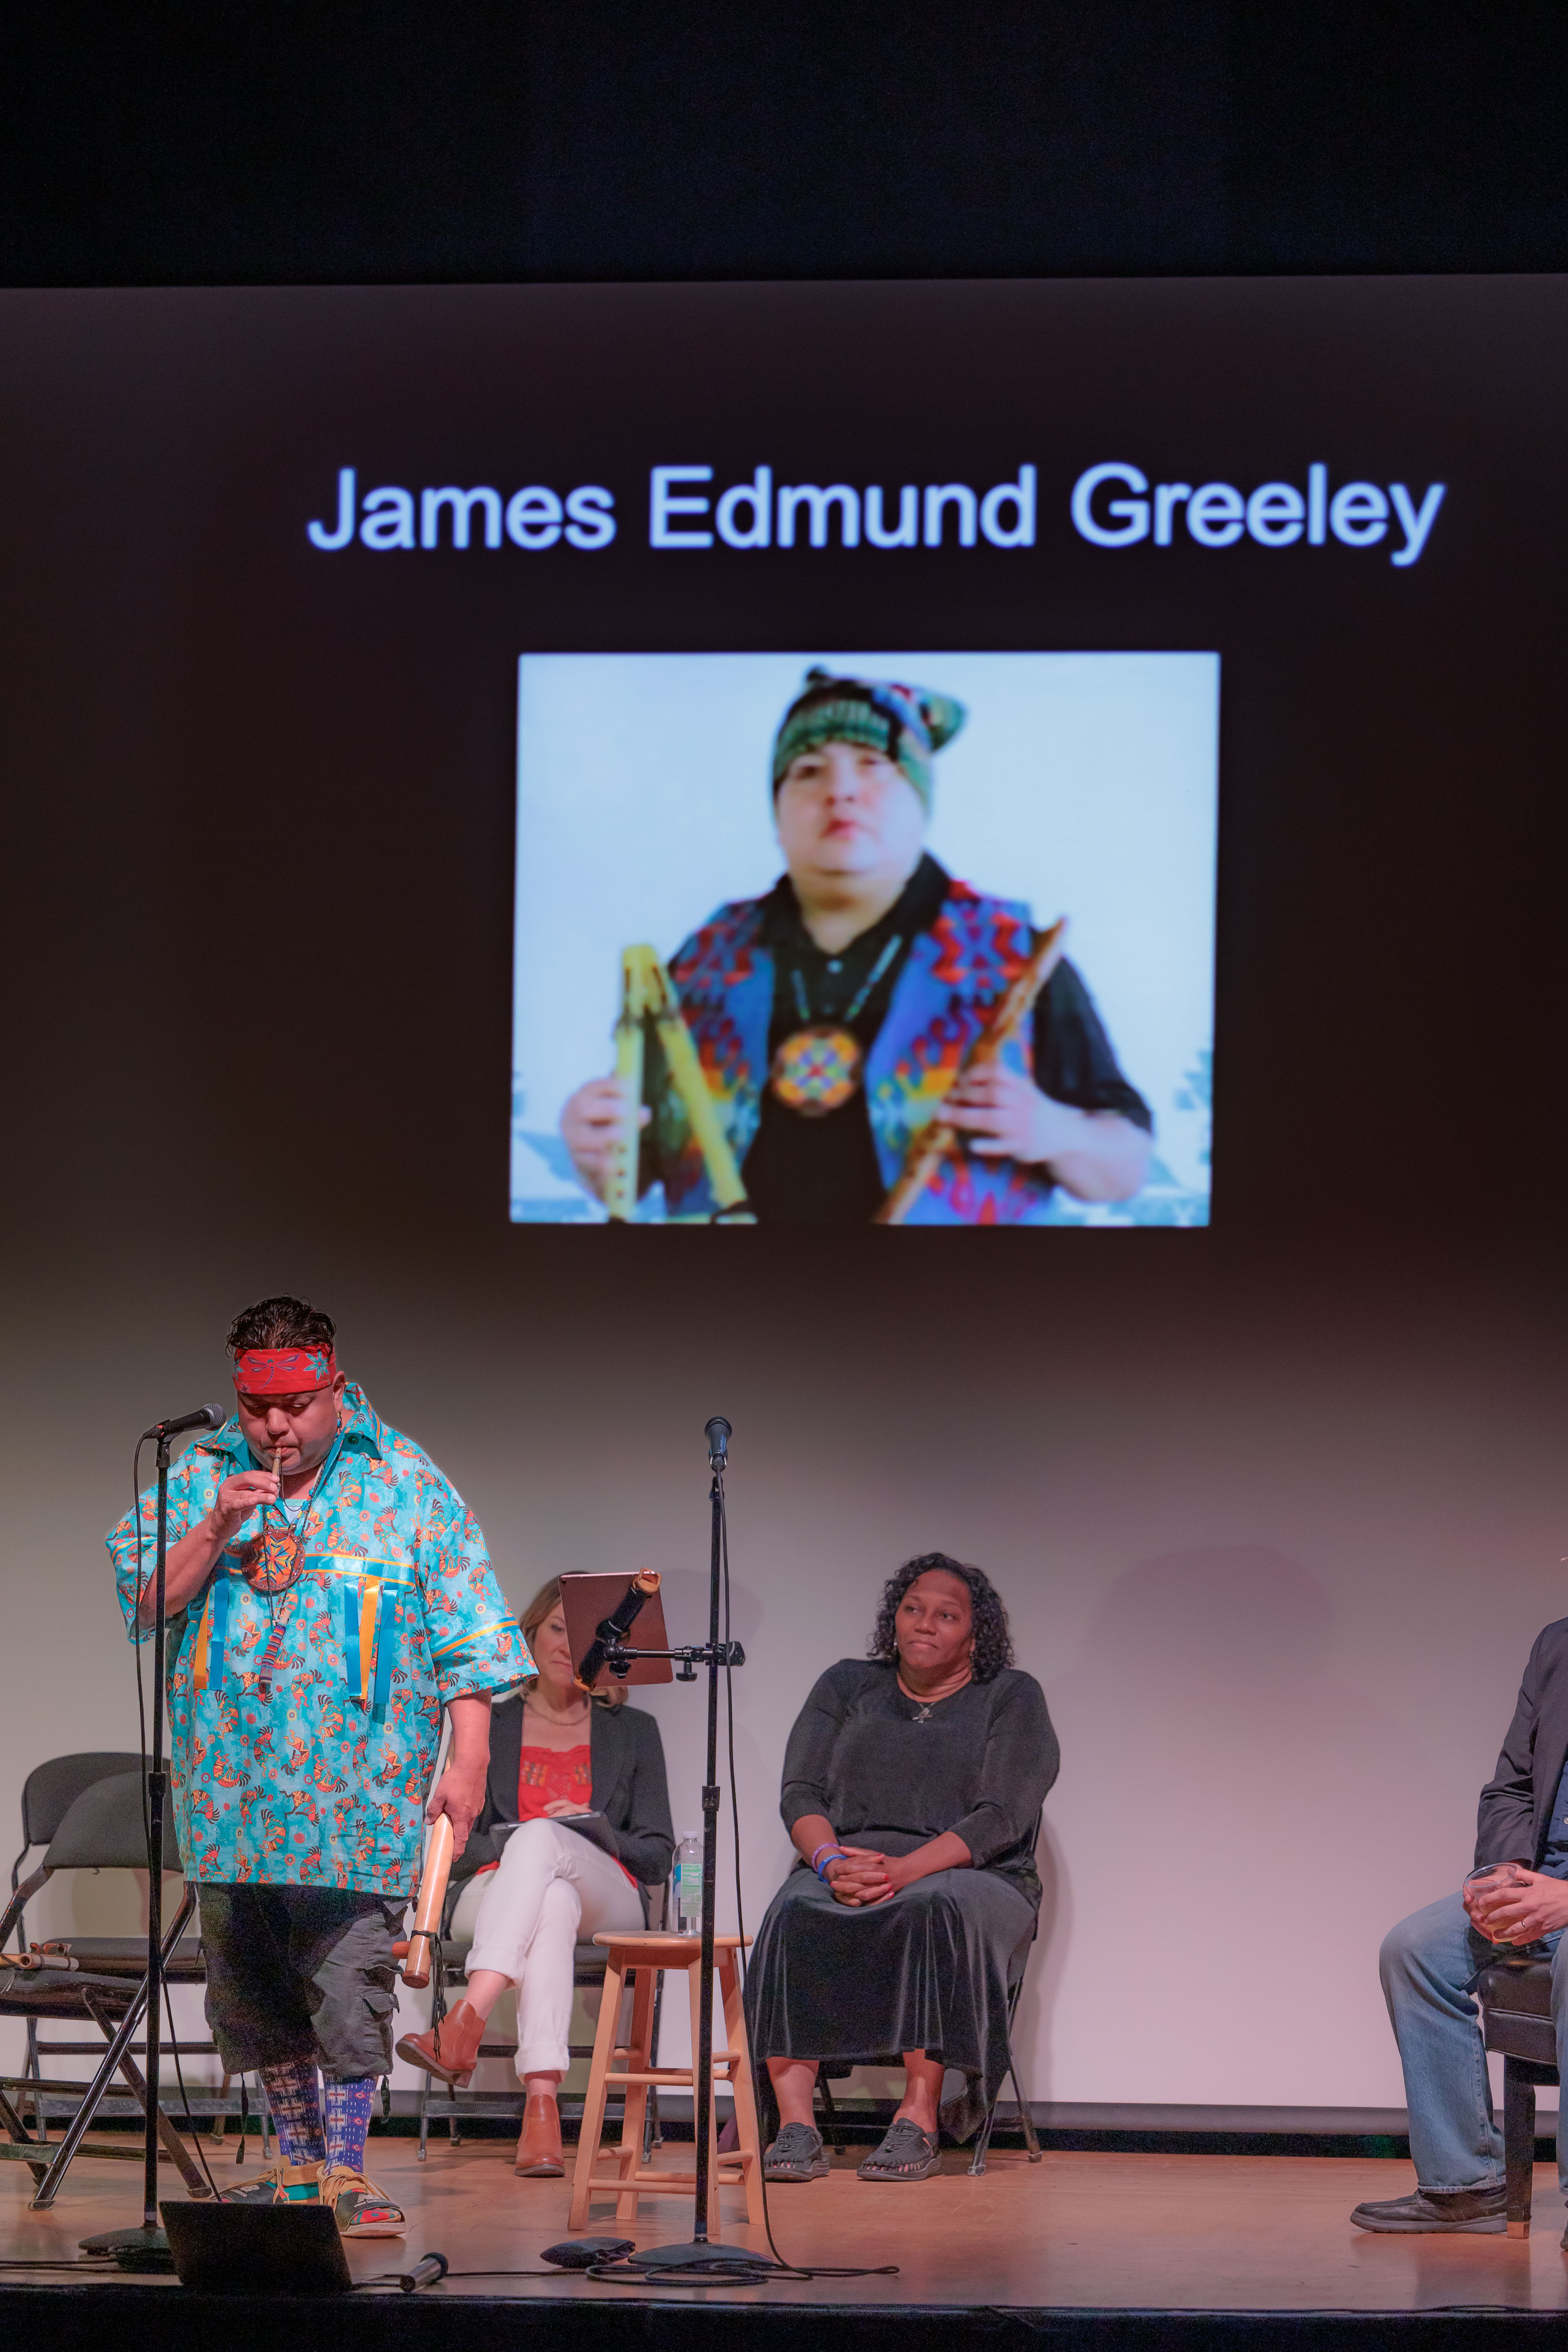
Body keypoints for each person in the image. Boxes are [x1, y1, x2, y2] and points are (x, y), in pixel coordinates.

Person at [106, 1296, 531, 2237]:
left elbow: (469, 1632)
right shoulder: (199, 1475)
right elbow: (145, 1598)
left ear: (334, 1385)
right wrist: (215, 1527)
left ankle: (347, 2173)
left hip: (357, 1803)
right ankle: (298, 2172)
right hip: (231, 1798)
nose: (276, 1427)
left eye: (296, 1406)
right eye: (258, 1408)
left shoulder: (405, 1480)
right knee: (255, 1999)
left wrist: (469, 1759)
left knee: (346, 1991)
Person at [561, 667, 1152, 1224]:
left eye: (873, 765)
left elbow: (1126, 1170)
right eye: (808, 771)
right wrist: (593, 1146)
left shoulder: (1016, 956)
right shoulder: (702, 961)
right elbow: (633, 1168)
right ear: (777, 812)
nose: (841, 791)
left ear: (920, 801)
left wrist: (1055, 1131)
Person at [744, 1553, 1059, 2182]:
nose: (925, 1624)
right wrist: (830, 1862)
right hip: (848, 1864)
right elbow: (800, 1792)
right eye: (913, 1609)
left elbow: (1003, 1814)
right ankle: (795, 2126)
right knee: (792, 1910)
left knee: (932, 1910)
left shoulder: (1010, 1696)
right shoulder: (846, 1685)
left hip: (975, 1873)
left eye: (947, 1615)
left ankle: (918, 2119)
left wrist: (906, 1871)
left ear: (975, 1634)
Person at [396, 1576, 674, 2176]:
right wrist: (518, 1838)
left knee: (548, 1842)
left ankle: (466, 2019)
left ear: (610, 1648)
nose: (568, 1646)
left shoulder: (635, 1732)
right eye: (556, 1628)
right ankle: (541, 2108)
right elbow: (454, 1848)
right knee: (550, 1897)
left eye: (585, 1635)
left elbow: (657, 1856)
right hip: (495, 1889)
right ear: (530, 1634)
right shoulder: (488, 1726)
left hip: (609, 1894)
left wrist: (588, 1831)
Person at [1353, 1616, 1568, 2238]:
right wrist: (1502, 1875)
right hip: (1544, 1878)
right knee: (1415, 1950)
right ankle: (1466, 2182)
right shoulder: (1558, 1645)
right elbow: (1513, 1786)